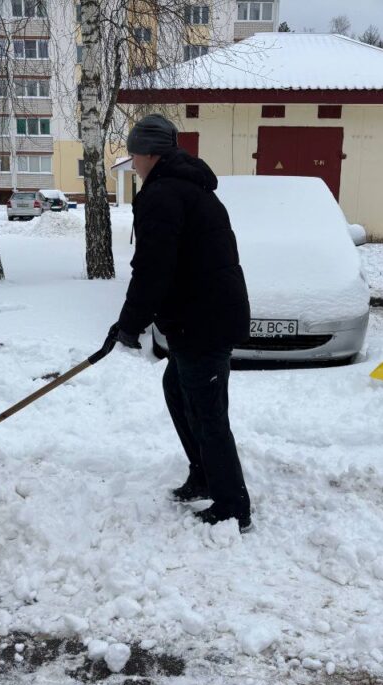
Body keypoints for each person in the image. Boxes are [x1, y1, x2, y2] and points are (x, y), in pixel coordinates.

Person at [108, 114, 253, 533]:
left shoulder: (164, 194)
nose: (133, 163)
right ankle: (204, 475)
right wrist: (132, 320)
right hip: (202, 314)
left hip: (203, 318)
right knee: (178, 389)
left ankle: (233, 506)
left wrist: (130, 323)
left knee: (208, 413)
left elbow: (153, 269)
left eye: (135, 154)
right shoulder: (188, 188)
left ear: (150, 153)